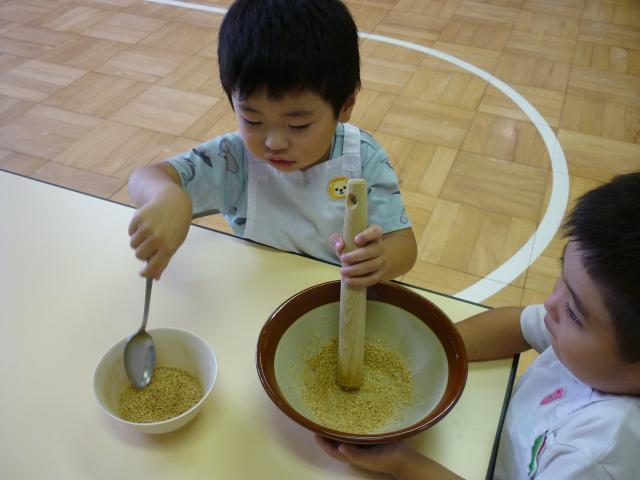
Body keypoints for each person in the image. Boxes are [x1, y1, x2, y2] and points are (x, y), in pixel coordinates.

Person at [317, 171, 640, 479]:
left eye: (574, 312)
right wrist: (425, 356)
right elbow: (517, 326)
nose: (551, 303)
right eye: (563, 280)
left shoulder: (597, 456)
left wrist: (403, 465)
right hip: (488, 437)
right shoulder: (586, 343)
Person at [127, 0, 417, 286]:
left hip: (335, 298)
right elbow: (146, 176)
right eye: (253, 120)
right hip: (258, 292)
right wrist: (167, 195)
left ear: (344, 106)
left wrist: (381, 260)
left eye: (298, 125)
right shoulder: (234, 159)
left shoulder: (363, 157)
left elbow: (404, 245)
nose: (274, 143)